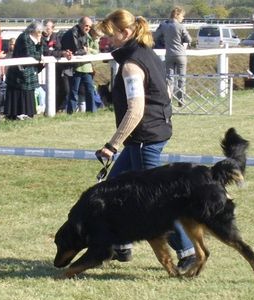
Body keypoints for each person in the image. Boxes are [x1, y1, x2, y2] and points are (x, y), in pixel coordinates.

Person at [96, 9, 196, 270]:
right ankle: (121, 244)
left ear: (125, 33)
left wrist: (112, 144)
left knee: (156, 200)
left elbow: (136, 110)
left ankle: (187, 251)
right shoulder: (149, 54)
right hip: (152, 133)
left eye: (109, 35)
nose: (106, 41)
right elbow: (167, 92)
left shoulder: (131, 65)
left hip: (143, 139)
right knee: (114, 188)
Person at [4, 21, 44, 120]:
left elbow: (40, 51)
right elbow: (29, 53)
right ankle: (14, 115)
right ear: (33, 30)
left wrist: (39, 43)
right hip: (19, 71)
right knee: (17, 91)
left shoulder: (36, 39)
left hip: (30, 70)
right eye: (39, 32)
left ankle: (28, 113)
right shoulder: (24, 37)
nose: (40, 34)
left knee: (28, 92)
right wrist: (39, 56)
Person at [153, 6, 192, 106]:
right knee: (181, 77)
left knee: (169, 78)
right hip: (181, 55)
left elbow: (155, 36)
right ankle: (181, 100)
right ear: (177, 15)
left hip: (169, 54)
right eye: (182, 16)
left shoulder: (164, 26)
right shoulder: (180, 26)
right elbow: (189, 39)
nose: (183, 18)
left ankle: (168, 100)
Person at [60, 16, 97, 114]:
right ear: (80, 24)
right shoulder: (73, 32)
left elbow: (92, 49)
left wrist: (85, 50)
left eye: (89, 26)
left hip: (84, 67)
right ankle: (71, 112)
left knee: (89, 89)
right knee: (73, 90)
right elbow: (77, 50)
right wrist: (85, 51)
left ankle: (91, 111)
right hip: (73, 67)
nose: (88, 28)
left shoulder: (85, 33)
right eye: (86, 26)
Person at [42, 19, 72, 112]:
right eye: (44, 28)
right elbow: (45, 51)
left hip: (57, 67)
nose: (45, 30)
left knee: (63, 88)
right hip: (43, 68)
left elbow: (58, 48)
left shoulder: (55, 37)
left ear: (52, 29)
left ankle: (58, 108)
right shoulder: (40, 38)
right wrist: (60, 53)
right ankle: (51, 109)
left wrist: (63, 52)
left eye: (48, 28)